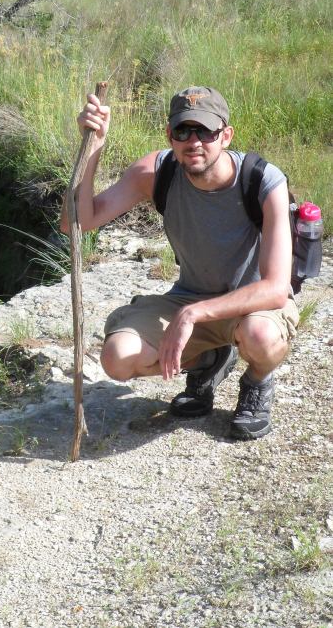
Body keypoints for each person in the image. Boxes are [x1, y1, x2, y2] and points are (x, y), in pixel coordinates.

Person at [60, 85, 298, 440]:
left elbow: (276, 289)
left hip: (253, 305)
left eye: (206, 131)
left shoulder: (262, 180)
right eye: (183, 131)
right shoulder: (156, 172)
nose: (194, 141)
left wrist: (192, 315)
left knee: (260, 337)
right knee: (117, 358)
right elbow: (76, 222)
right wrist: (93, 146)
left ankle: (257, 382)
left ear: (226, 135)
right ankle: (209, 361)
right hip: (191, 296)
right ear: (170, 135)